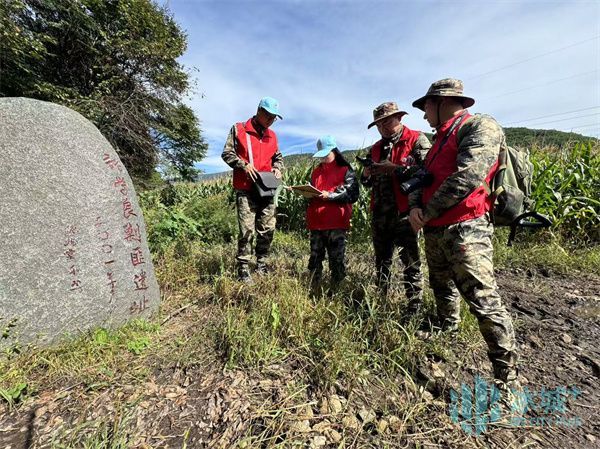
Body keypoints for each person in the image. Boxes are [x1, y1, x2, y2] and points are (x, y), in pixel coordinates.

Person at [408, 78, 520, 395]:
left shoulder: (479, 126)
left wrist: (426, 212)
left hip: (466, 227)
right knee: (441, 284)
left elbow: (469, 176)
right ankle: (447, 327)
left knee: (483, 300)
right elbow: (420, 180)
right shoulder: (435, 143)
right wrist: (416, 209)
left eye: (426, 106)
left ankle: (508, 380)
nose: (424, 113)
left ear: (443, 102)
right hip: (434, 229)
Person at [360, 102, 431, 314]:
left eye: (387, 122)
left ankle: (414, 304)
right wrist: (366, 175)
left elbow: (428, 172)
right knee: (382, 260)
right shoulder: (375, 149)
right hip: (380, 214)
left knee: (410, 261)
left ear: (399, 118)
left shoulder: (416, 139)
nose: (383, 128)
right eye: (379, 125)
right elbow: (366, 184)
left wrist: (397, 170)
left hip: (404, 213)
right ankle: (379, 298)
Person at [221, 97, 284, 282]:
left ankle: (262, 264)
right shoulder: (239, 129)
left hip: (266, 189)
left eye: (274, 117)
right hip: (246, 189)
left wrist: (278, 168)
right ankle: (243, 268)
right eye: (268, 116)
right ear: (259, 111)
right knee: (246, 230)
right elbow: (227, 153)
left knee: (267, 229)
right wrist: (243, 164)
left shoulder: (272, 136)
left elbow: (278, 157)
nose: (271, 120)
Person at [307, 135, 359, 295]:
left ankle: (336, 291)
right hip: (316, 223)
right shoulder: (316, 172)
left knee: (336, 260)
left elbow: (353, 194)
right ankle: (314, 289)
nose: (322, 158)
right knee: (315, 259)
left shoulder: (346, 170)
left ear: (334, 151)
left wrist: (328, 195)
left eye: (325, 154)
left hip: (336, 223)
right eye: (320, 155)